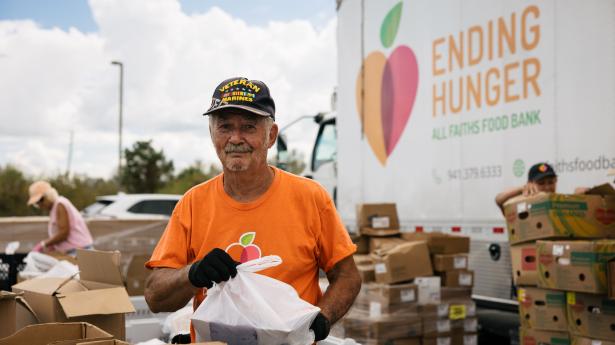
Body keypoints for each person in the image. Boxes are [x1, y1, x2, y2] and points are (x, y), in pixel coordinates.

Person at [144, 77, 361, 342]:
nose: (236, 138)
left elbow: (348, 276)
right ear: (212, 134)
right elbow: (155, 296)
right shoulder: (192, 204)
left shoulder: (311, 197)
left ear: (271, 136)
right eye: (224, 127)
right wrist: (193, 273)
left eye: (248, 127)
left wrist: (322, 319)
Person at [27, 180, 94, 255]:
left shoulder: (60, 204)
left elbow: (63, 233)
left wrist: (44, 244)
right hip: (75, 251)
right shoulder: (55, 207)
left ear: (49, 195)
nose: (40, 205)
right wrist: (54, 244)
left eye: (41, 200)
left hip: (80, 251)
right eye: (37, 203)